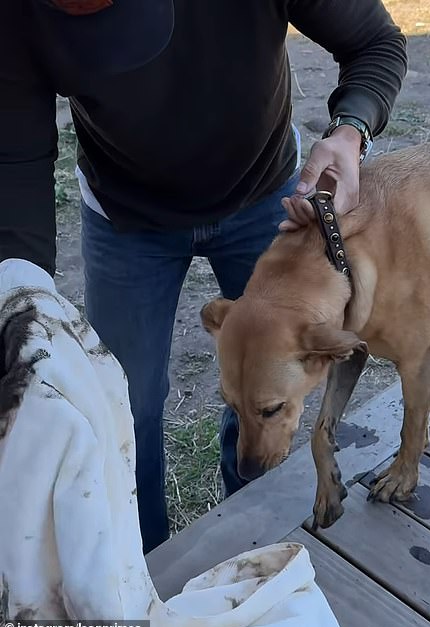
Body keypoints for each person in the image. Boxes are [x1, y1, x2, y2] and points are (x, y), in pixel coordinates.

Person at [0, 0, 407, 554]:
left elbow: (376, 42)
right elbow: (15, 159)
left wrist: (351, 128)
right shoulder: (18, 14)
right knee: (120, 407)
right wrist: (25, 298)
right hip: (125, 218)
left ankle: (254, 544)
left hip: (265, 198)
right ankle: (140, 566)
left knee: (262, 392)